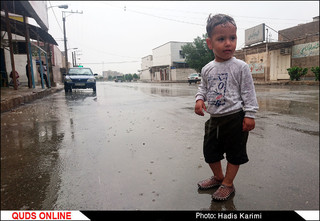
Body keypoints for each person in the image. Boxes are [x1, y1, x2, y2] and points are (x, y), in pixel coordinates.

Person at [195, 14, 259, 201]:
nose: (228, 43)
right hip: (214, 119)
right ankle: (218, 177)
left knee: (235, 153)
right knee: (210, 151)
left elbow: (248, 92)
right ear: (210, 43)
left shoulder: (240, 67)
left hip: (235, 118)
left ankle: (228, 184)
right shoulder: (207, 68)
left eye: (232, 38)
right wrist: (199, 99)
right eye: (221, 39)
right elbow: (203, 87)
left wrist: (250, 114)